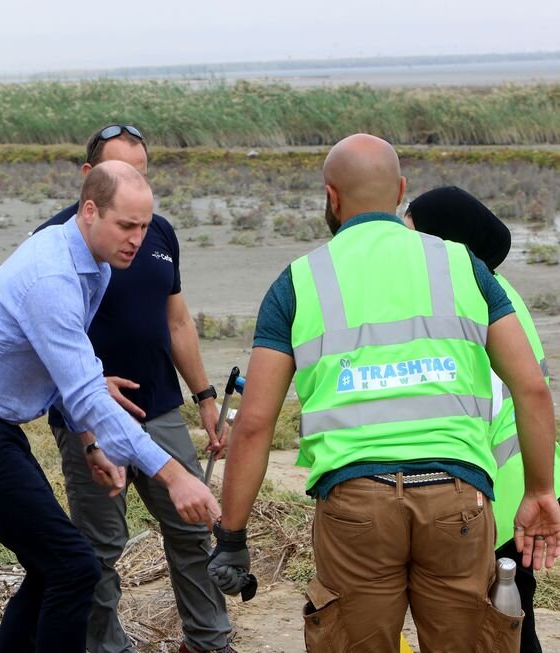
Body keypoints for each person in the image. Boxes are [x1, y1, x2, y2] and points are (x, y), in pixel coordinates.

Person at [208, 133, 560, 652]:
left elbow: (256, 422)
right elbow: (531, 387)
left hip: (355, 507)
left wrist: (232, 536)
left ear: (331, 196)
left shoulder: (298, 282)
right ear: (400, 191)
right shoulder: (464, 266)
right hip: (457, 501)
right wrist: (538, 491)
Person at [0, 160, 220, 653]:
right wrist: (174, 475)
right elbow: (83, 391)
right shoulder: (52, 275)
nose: (137, 239)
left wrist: (90, 441)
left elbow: (65, 374)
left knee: (50, 568)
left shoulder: (92, 265)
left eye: (144, 227)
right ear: (90, 210)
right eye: (126, 225)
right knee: (74, 567)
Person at [35, 124, 232, 653]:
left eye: (142, 174)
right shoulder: (52, 244)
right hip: (90, 420)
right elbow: (48, 349)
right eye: (122, 175)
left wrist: (206, 397)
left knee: (193, 527)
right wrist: (87, 424)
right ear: (89, 182)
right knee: (99, 548)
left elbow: (178, 321)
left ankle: (209, 642)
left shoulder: (159, 232)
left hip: (162, 407)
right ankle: (106, 647)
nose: (135, 187)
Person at [405, 185, 560, 653]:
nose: (402, 242)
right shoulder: (497, 288)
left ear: (445, 240)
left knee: (497, 632)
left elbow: (481, 406)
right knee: (511, 622)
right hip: (522, 485)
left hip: (494, 499)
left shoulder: (469, 300)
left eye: (412, 231)